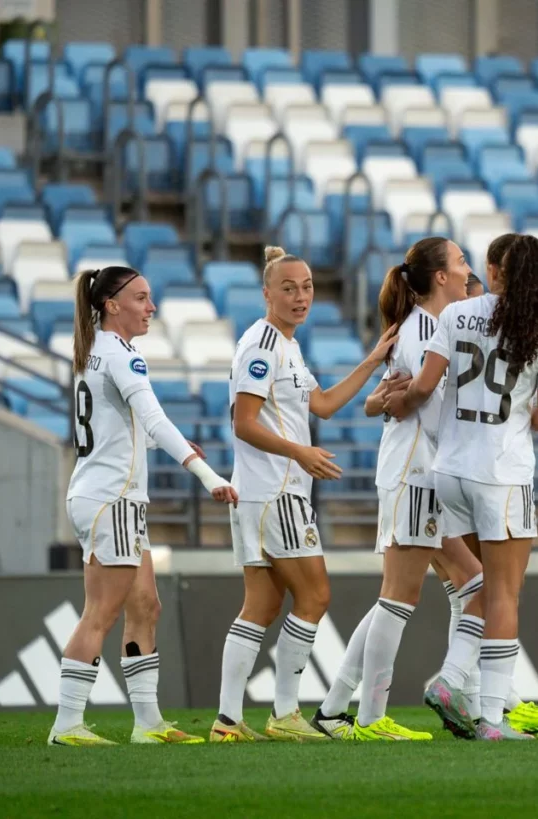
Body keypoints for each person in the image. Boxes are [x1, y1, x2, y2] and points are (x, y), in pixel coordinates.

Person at [210, 246, 397, 743]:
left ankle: (228, 721)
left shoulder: (287, 346)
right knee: (315, 594)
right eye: (288, 288)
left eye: (308, 286)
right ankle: (286, 713)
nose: (300, 296)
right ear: (267, 293)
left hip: (268, 491)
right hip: (275, 492)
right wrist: (300, 452)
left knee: (261, 606)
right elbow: (243, 424)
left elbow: (325, 405)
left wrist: (373, 359)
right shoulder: (261, 345)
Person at [51, 266, 239, 747]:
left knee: (145, 606)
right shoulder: (119, 354)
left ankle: (148, 724)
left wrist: (162, 448)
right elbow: (153, 419)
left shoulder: (97, 350)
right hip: (110, 497)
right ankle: (66, 726)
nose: (151, 306)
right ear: (112, 305)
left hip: (114, 497)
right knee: (102, 610)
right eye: (141, 298)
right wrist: (206, 473)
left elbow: (124, 431)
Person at [390, 233, 538, 741]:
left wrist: (394, 404)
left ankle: (452, 680)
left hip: (449, 470)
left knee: (481, 588)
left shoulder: (456, 315)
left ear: (495, 272)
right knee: (505, 594)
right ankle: (490, 716)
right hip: (502, 474)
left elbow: (425, 386)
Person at [311, 237, 470, 741]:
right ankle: (370, 717)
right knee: (399, 596)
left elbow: (395, 397)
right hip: (414, 472)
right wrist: (389, 400)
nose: (467, 270)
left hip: (427, 473)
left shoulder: (430, 327)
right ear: (440, 277)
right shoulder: (422, 330)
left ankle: (336, 707)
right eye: (461, 262)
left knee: (467, 584)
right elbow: (411, 395)